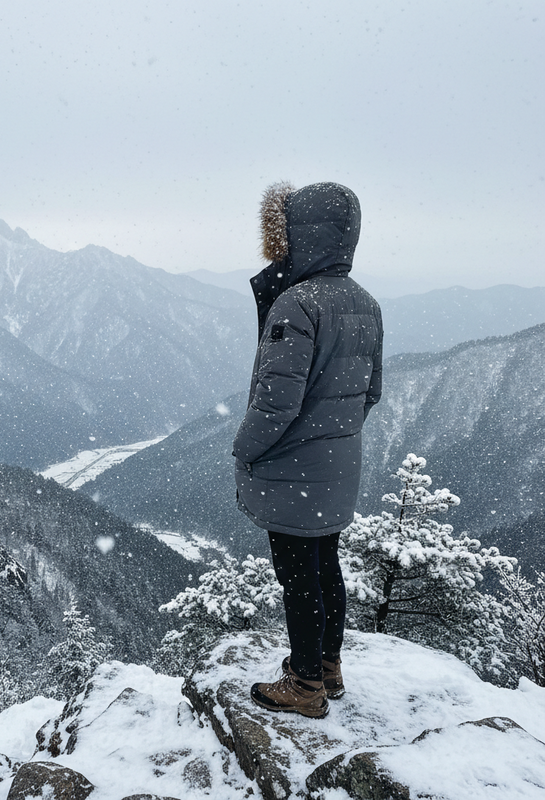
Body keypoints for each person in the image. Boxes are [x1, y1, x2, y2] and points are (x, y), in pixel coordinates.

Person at [232, 181, 383, 719]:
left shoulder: (297, 302)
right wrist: (333, 436)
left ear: (296, 235)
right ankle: (329, 666)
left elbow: (275, 403)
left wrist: (243, 448)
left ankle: (304, 684)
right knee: (324, 567)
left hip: (294, 468)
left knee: (296, 574)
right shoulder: (364, 303)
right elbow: (372, 392)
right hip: (338, 465)